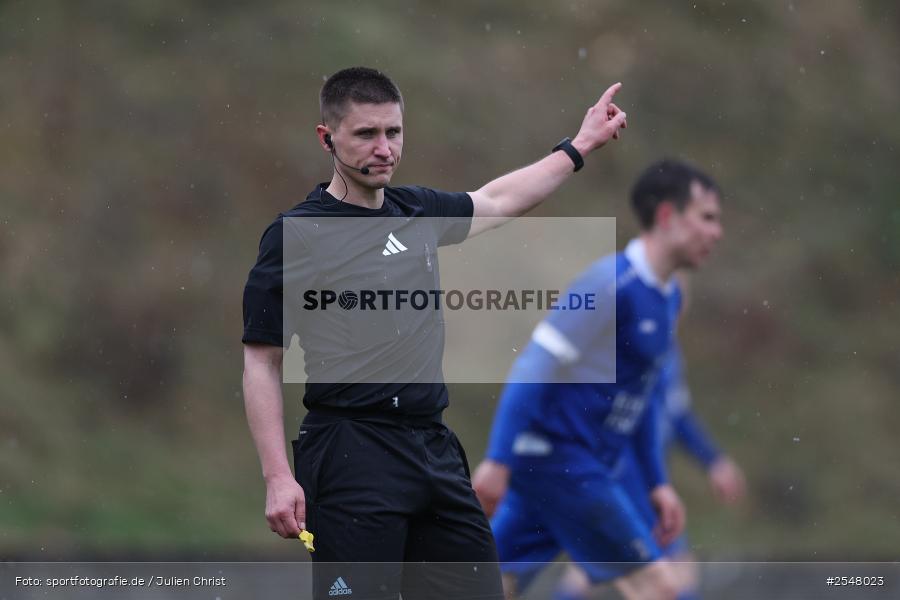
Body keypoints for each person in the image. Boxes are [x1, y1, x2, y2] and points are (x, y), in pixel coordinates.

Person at [241, 66, 628, 599]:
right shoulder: (296, 236)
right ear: (327, 138)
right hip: (350, 452)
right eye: (366, 134)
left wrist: (578, 146)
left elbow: (497, 202)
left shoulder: (415, 210)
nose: (384, 148)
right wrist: (277, 476)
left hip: (432, 449)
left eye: (393, 132)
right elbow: (261, 362)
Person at [472, 159, 724, 600]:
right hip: (565, 465)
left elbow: (642, 400)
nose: (716, 232)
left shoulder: (666, 299)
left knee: (490, 586)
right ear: (667, 216)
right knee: (661, 589)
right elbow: (534, 366)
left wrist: (657, 483)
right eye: (707, 217)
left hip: (560, 469)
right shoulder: (611, 285)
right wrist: (497, 460)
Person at [552, 344, 746, 600]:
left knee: (593, 571)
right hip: (624, 481)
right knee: (663, 580)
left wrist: (713, 460)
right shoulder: (623, 349)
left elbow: (676, 415)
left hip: (639, 484)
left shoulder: (668, 351)